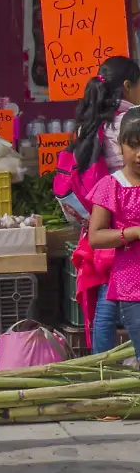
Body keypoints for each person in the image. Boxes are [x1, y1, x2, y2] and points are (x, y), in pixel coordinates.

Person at [60, 57, 140, 353]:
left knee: (109, 290)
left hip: (102, 213)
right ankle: (105, 362)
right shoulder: (129, 121)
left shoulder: (94, 120)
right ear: (129, 86)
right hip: (124, 215)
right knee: (114, 291)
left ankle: (102, 363)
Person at [88, 107, 140, 352]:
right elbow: (95, 237)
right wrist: (133, 233)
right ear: (120, 145)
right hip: (133, 284)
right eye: (133, 146)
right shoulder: (111, 185)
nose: (139, 154)